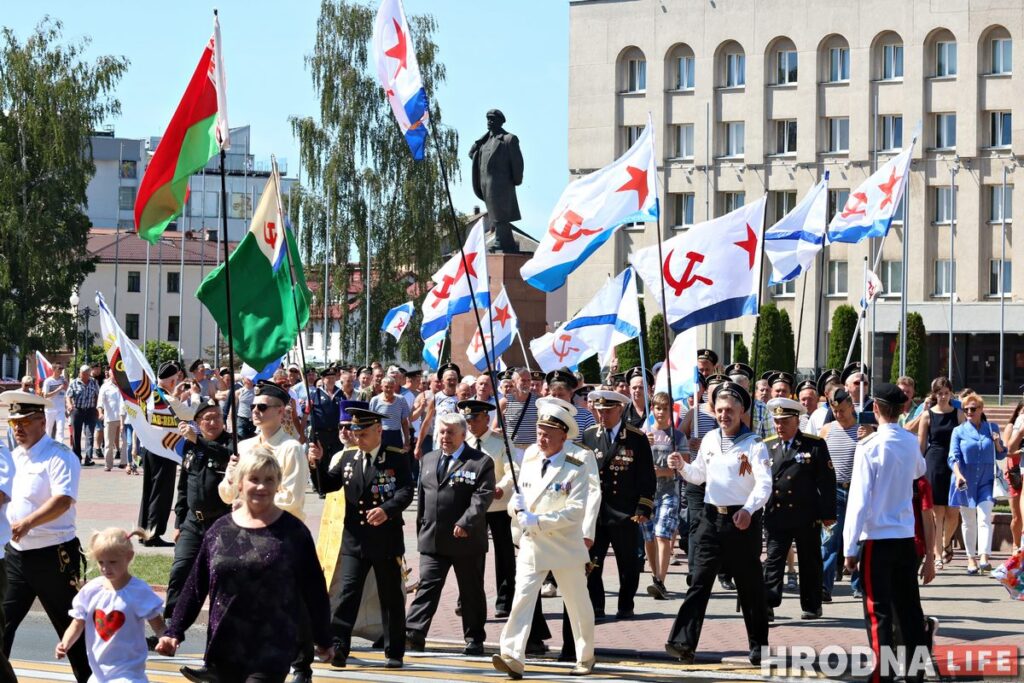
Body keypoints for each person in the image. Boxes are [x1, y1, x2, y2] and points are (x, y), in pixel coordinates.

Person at [159, 448, 334, 681]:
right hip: (224, 647)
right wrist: (174, 632)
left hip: (271, 648)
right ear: (240, 484)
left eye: (269, 480)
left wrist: (323, 638)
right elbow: (195, 586)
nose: (262, 487)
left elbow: (314, 590)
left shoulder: (293, 532)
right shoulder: (219, 531)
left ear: (278, 485)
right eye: (254, 479)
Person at [665, 382, 771, 665]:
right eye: (720, 410)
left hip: (741, 522)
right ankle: (682, 643)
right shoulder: (710, 438)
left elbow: (764, 485)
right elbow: (698, 475)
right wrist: (681, 466)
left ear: (741, 412)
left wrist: (749, 510)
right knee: (699, 582)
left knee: (749, 587)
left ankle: (759, 645)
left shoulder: (755, 444)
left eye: (730, 411)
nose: (724, 415)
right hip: (711, 520)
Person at [493, 400, 597, 678]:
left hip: (564, 544)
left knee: (577, 604)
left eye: (548, 432)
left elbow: (576, 511)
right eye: (539, 430)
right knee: (522, 600)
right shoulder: (529, 456)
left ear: (564, 435)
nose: (542, 437)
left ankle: (585, 656)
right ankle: (512, 654)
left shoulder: (577, 463)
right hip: (533, 544)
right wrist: (516, 507)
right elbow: (522, 494)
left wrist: (537, 521)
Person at [309, 406, 414, 669]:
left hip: (385, 540)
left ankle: (394, 651)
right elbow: (326, 486)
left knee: (390, 597)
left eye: (363, 432)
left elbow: (405, 492)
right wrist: (317, 463)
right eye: (355, 432)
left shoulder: (396, 458)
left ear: (378, 430)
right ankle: (339, 647)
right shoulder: (347, 459)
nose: (358, 437)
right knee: (347, 595)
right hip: (354, 540)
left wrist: (386, 510)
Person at [0, 390, 91, 681]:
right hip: (15, 556)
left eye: (25, 423)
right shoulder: (13, 456)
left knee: (71, 629)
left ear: (42, 421)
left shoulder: (59, 456)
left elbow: (63, 499)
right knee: (2, 625)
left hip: (53, 557)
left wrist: (27, 522)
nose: (18, 429)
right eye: (14, 424)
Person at [843, 383, 928, 683]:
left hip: (877, 540)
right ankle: (916, 672)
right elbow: (920, 470)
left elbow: (858, 500)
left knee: (878, 611)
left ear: (875, 409)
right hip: (904, 538)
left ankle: (883, 674)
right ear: (904, 409)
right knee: (908, 609)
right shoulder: (908, 441)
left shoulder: (870, 446)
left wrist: (849, 548)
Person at [406, 413, 495, 655]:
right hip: (433, 538)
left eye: (450, 433)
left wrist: (466, 522)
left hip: (465, 540)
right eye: (442, 432)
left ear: (463, 435)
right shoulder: (428, 459)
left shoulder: (479, 462)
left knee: (471, 592)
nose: (445, 437)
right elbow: (423, 500)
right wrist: (422, 529)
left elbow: (482, 498)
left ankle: (474, 638)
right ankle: (414, 632)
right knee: (427, 586)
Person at [575, 389, 654, 624]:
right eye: (599, 411)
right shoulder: (589, 436)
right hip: (596, 513)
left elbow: (647, 477)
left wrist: (643, 508)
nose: (603, 415)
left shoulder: (636, 438)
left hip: (625, 513)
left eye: (608, 411)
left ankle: (625, 604)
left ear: (620, 410)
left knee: (627, 564)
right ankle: (596, 606)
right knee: (592, 563)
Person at [56, 528, 166, 681]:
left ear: (129, 557)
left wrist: (165, 638)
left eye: (112, 562)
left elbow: (158, 625)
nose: (105, 568)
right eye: (101, 562)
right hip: (99, 674)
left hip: (129, 673)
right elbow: (77, 623)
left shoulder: (138, 591)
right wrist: (65, 643)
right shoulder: (91, 590)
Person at [761, 398, 835, 621]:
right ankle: (768, 603)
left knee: (810, 561)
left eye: (784, 421)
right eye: (776, 421)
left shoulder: (814, 445)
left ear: (796, 421)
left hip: (806, 513)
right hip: (777, 514)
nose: (779, 426)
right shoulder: (768, 446)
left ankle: (812, 605)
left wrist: (828, 515)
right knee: (773, 560)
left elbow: (827, 481)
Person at [165, 398, 233, 619]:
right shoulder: (191, 447)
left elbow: (225, 456)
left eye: (218, 417)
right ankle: (170, 625)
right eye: (208, 418)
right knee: (179, 571)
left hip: (222, 522)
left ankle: (220, 626)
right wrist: (178, 524)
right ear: (197, 422)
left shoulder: (232, 444)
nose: (213, 422)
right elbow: (183, 488)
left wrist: (198, 440)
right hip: (193, 523)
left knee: (220, 576)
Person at [219, 381, 306, 521]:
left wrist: (248, 501)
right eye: (252, 406)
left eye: (262, 407)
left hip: (281, 530)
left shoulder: (291, 448)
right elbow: (227, 496)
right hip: (248, 528)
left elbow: (291, 499)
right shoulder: (244, 447)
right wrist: (230, 476)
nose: (254, 410)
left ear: (281, 411)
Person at [462, 399, 517, 618]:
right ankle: (468, 597)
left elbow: (513, 470)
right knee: (470, 555)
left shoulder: (500, 443)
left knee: (504, 555)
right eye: (467, 419)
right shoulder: (463, 441)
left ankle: (505, 600)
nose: (470, 424)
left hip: (498, 506)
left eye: (474, 419)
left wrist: (501, 488)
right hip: (472, 508)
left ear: (487, 418)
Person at [949, 393, 1005, 575]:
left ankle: (984, 557)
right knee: (968, 520)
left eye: (973, 409)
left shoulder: (991, 427)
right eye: (966, 410)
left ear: (981, 409)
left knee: (984, 517)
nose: (969, 412)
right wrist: (958, 475)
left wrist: (997, 443)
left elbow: (1002, 454)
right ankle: (970, 558)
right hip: (965, 480)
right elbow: (953, 457)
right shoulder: (959, 431)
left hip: (987, 480)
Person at [641, 392, 686, 600]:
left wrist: (664, 470)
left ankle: (660, 579)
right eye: (657, 408)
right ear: (652, 409)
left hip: (669, 492)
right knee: (649, 536)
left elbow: (682, 466)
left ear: (671, 410)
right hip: (648, 493)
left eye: (665, 408)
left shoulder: (677, 437)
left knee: (662, 534)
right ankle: (654, 574)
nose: (660, 412)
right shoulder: (644, 434)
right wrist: (643, 445)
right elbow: (634, 462)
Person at [819, 388, 862, 601]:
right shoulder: (826, 430)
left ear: (851, 406)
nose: (839, 415)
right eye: (835, 411)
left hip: (856, 490)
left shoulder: (863, 430)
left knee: (858, 539)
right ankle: (824, 587)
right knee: (829, 541)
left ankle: (859, 585)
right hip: (832, 491)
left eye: (842, 410)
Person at [918, 377, 963, 570]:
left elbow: (965, 439)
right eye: (939, 393)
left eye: (946, 392)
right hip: (934, 461)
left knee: (953, 511)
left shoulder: (958, 414)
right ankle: (937, 554)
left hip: (954, 464)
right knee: (937, 512)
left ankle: (946, 544)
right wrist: (918, 470)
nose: (943, 396)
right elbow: (921, 445)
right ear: (934, 394)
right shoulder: (927, 415)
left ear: (951, 393)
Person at [137, 361, 183, 548]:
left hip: (150, 448)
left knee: (149, 490)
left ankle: (144, 531)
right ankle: (154, 533)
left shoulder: (152, 396)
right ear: (172, 381)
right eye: (176, 379)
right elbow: (190, 414)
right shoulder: (169, 400)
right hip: (166, 449)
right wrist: (193, 398)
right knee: (161, 493)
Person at [469, 108, 524, 253]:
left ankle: (502, 241)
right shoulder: (483, 142)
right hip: (485, 184)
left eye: (493, 119)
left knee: (500, 215)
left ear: (500, 122)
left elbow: (517, 163)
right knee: (495, 214)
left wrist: (516, 180)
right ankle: (506, 243)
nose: (489, 122)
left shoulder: (508, 139)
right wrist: (478, 144)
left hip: (502, 185)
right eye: (488, 119)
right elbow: (471, 154)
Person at [309, 366, 345, 496]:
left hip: (336, 432)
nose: (330, 380)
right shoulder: (315, 394)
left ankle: (336, 487)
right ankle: (321, 488)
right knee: (321, 460)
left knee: (336, 458)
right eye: (328, 378)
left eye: (332, 378)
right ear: (323, 380)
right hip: (320, 432)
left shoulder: (340, 394)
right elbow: (306, 411)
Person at [416, 363, 461, 460]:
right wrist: (418, 446)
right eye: (449, 379)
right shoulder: (437, 398)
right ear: (442, 381)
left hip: (457, 444)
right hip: (439, 443)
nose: (452, 382)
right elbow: (426, 423)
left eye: (454, 379)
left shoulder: (461, 398)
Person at [499, 368, 539, 458]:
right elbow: (495, 427)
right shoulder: (505, 402)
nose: (526, 383)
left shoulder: (538, 401)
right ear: (513, 382)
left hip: (533, 450)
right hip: (513, 449)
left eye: (528, 380)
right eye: (523, 380)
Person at [66, 364, 98, 466]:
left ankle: (88, 458)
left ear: (89, 374)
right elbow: (68, 396)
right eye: (81, 373)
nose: (83, 376)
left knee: (89, 435)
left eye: (85, 374)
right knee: (76, 435)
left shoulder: (93, 382)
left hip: (90, 411)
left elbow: (97, 395)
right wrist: (70, 405)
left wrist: (97, 407)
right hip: (77, 410)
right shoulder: (74, 383)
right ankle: (77, 457)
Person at [370, 376, 412, 452]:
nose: (389, 389)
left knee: (395, 460)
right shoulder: (375, 400)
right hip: (380, 435)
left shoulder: (401, 400)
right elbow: (371, 422)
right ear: (381, 387)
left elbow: (404, 422)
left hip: (396, 435)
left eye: (391, 387)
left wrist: (407, 441)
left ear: (394, 387)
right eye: (386, 387)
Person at [1004, 399, 1024, 553]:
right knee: (1017, 515)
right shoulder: (1013, 426)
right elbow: (1008, 451)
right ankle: (1016, 545)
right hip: (1014, 472)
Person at [97, 368, 124, 471]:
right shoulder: (105, 387)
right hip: (110, 418)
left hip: (123, 418)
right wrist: (100, 413)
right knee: (108, 443)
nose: (116, 376)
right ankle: (108, 465)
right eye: (114, 374)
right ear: (110, 374)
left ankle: (124, 462)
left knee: (125, 442)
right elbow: (100, 402)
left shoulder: (123, 385)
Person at [42, 363, 68, 445]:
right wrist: (58, 389)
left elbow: (67, 392)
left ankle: (59, 445)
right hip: (50, 409)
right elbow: (45, 395)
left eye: (61, 369)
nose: (61, 371)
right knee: (48, 429)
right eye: (59, 369)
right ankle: (47, 445)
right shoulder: (48, 381)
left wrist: (66, 384)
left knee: (60, 429)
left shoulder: (63, 380)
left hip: (60, 409)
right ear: (53, 370)